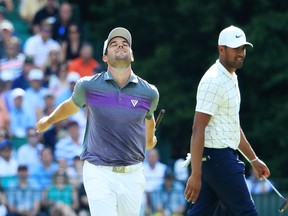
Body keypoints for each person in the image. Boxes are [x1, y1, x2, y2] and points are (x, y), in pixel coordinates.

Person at [36, 27, 159, 216]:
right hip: (98, 170)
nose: (120, 46)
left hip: (133, 173)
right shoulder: (88, 85)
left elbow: (149, 118)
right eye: (114, 44)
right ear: (105, 57)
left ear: (132, 55)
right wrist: (48, 120)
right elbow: (70, 106)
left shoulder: (149, 92)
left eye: (125, 44)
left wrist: (150, 138)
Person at [184, 25, 271, 215]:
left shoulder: (230, 77)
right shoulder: (213, 80)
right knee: (247, 212)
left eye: (243, 48)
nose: (241, 53)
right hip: (218, 159)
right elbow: (198, 129)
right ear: (221, 49)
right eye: (236, 49)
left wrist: (254, 159)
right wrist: (195, 174)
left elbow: (232, 127)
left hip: (218, 159)